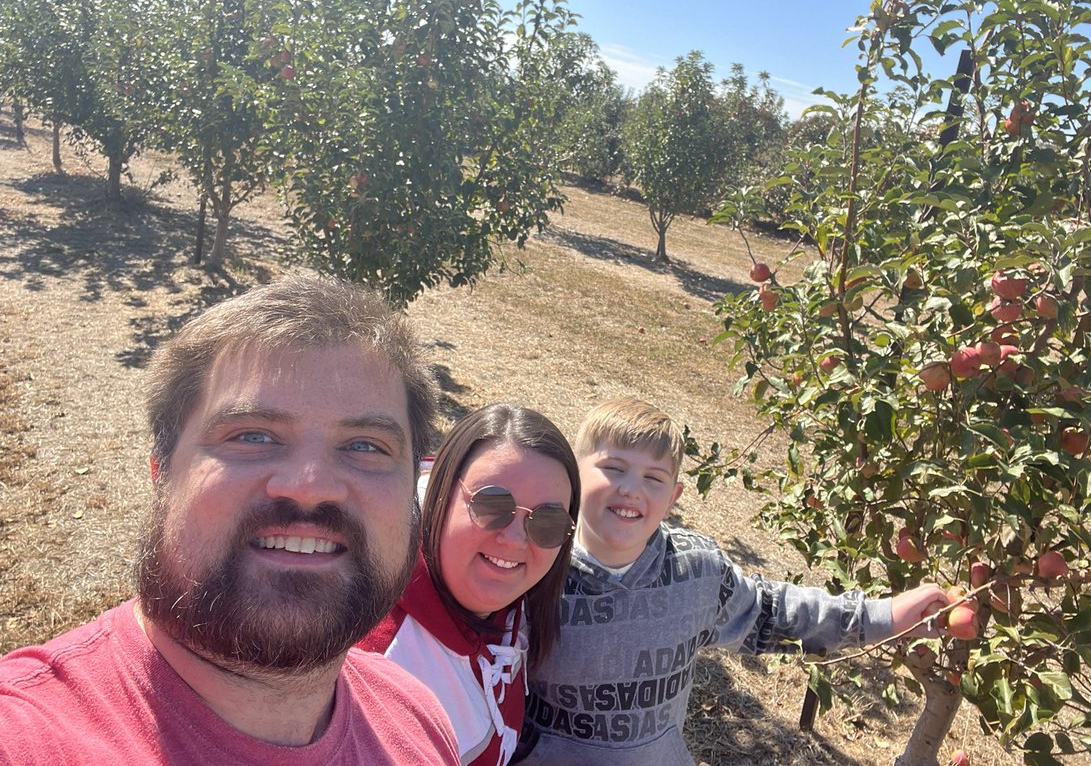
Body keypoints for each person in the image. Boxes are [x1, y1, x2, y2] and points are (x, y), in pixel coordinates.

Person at [0, 275, 459, 765]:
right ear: (161, 475)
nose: (310, 486)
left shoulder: (418, 719)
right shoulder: (25, 738)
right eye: (252, 436)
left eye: (366, 446)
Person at [520, 396, 950, 765]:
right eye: (614, 468)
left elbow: (771, 613)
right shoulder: (536, 566)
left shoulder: (696, 573)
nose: (632, 489)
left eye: (653, 477)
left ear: (673, 498)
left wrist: (884, 616)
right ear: (573, 479)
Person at [359, 403, 580, 766]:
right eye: (492, 504)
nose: (515, 539)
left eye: (548, 521)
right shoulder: (379, 670)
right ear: (441, 494)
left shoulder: (512, 602)